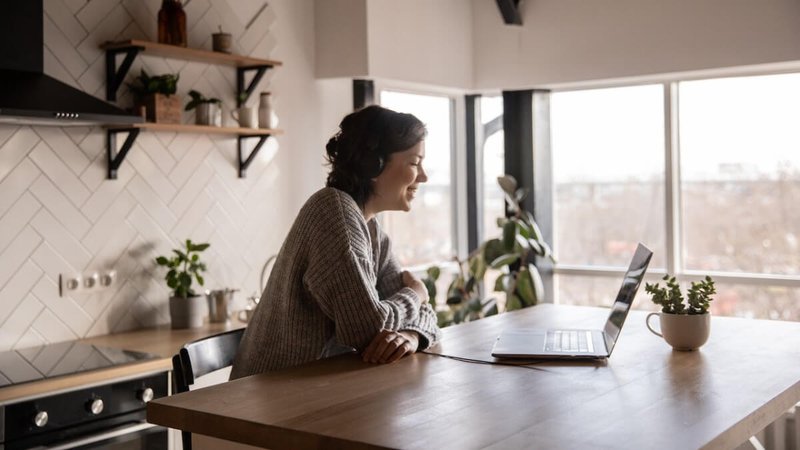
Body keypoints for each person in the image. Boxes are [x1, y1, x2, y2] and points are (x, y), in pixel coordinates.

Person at [231, 105, 442, 378]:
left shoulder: (372, 229)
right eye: (414, 163)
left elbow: (424, 316)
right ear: (373, 165)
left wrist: (412, 335)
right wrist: (416, 294)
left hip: (311, 392)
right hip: (264, 401)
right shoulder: (333, 212)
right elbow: (368, 330)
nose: (423, 176)